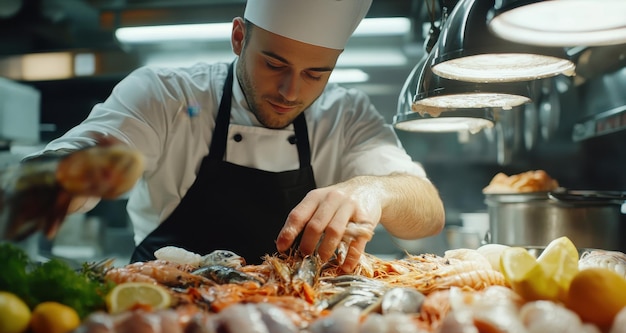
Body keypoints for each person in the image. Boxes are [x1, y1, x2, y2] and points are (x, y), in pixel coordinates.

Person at [28, 0, 445, 272]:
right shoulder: (166, 95)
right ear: (239, 37)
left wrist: (374, 189)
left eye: (316, 73)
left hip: (297, 316)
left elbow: (428, 214)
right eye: (273, 64)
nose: (291, 91)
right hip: (165, 311)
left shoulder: (347, 113)